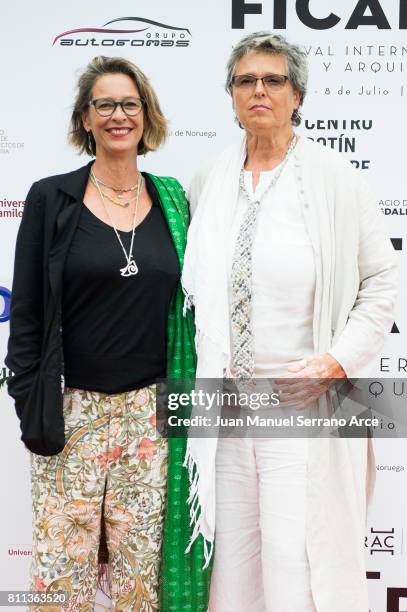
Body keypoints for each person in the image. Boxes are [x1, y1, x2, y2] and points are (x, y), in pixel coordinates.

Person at [181, 32, 398, 612]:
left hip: (302, 405)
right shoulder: (209, 179)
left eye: (273, 80)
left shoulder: (335, 179)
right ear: (230, 96)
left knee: (294, 562)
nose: (259, 91)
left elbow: (382, 282)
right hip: (226, 408)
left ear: (297, 94)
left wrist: (335, 362)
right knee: (234, 563)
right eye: (245, 80)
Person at [5, 56, 210, 611]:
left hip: (149, 415)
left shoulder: (173, 204)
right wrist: (32, 405)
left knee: (139, 582)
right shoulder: (53, 199)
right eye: (105, 105)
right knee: (60, 578)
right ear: (86, 118)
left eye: (129, 104)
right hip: (72, 413)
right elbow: (26, 314)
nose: (119, 115)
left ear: (146, 115)